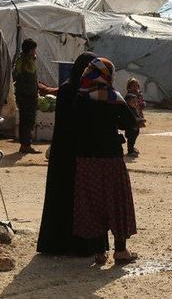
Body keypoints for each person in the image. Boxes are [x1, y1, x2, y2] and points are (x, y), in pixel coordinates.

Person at [37, 52, 110, 257]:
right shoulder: (80, 91)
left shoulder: (71, 89)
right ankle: (81, 245)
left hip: (67, 152)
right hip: (78, 153)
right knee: (80, 198)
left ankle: (63, 244)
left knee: (69, 197)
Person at [73, 58, 138, 265]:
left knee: (93, 202)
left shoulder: (81, 98)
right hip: (111, 159)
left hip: (87, 159)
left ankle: (99, 252)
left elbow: (74, 124)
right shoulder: (113, 97)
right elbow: (131, 123)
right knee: (116, 201)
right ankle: (121, 250)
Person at [12, 38, 41, 154]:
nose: (35, 52)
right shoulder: (25, 62)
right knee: (28, 120)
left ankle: (24, 144)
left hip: (25, 95)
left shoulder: (24, 60)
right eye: (33, 49)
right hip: (27, 96)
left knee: (25, 120)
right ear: (30, 50)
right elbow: (26, 79)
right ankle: (26, 145)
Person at [124, 78, 146, 158]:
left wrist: (143, 104)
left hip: (138, 115)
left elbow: (141, 102)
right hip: (131, 117)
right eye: (133, 86)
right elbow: (128, 106)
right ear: (129, 87)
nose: (135, 87)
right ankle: (130, 150)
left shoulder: (139, 94)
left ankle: (132, 147)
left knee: (136, 132)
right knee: (131, 133)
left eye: (136, 85)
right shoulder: (129, 96)